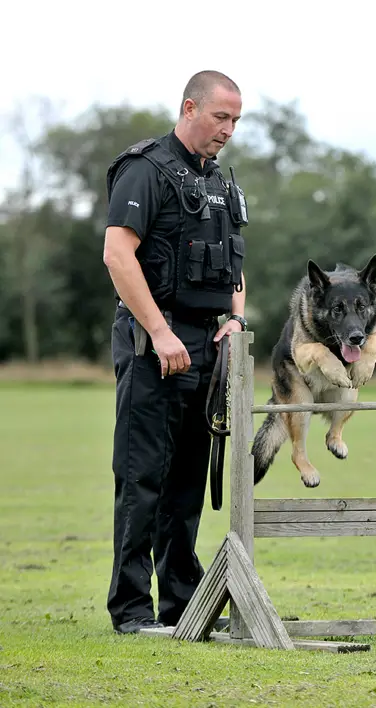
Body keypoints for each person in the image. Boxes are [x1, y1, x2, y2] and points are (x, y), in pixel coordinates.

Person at [102, 70, 249, 634]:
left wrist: (235, 319)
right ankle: (132, 611)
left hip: (208, 346)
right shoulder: (145, 169)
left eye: (236, 120)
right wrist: (160, 332)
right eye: (221, 117)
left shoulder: (220, 183)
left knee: (188, 483)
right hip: (152, 343)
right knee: (142, 478)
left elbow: (234, 262)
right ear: (189, 108)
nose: (229, 130)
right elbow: (119, 256)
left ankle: (182, 608)